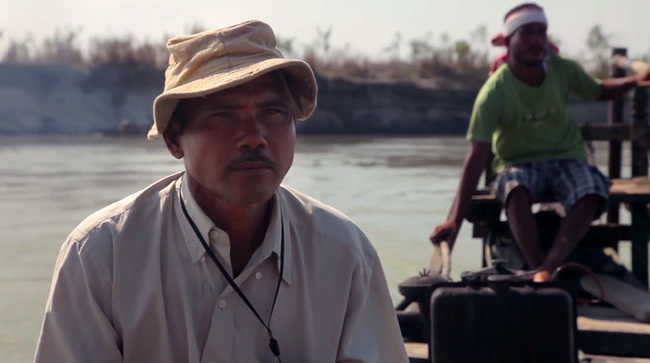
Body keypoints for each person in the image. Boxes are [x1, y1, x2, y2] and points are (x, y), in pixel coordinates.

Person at [34, 20, 408, 363]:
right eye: (222, 115)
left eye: (273, 112)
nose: (254, 137)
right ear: (174, 140)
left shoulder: (343, 254)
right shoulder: (102, 256)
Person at [430, 3, 650, 282]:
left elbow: (599, 90)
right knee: (514, 189)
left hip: (566, 159)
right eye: (527, 33)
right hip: (519, 163)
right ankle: (537, 269)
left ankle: (549, 266)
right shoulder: (494, 91)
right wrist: (454, 222)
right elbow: (476, 157)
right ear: (510, 41)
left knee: (592, 188)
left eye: (541, 33)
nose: (536, 40)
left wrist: (636, 79)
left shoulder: (562, 70)